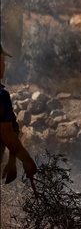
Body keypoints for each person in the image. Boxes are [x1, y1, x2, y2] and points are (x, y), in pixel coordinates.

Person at [1, 43, 37, 184]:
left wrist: (12, 161)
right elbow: (7, 134)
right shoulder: (1, 96)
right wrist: (27, 161)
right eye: (2, 60)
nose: (4, 65)